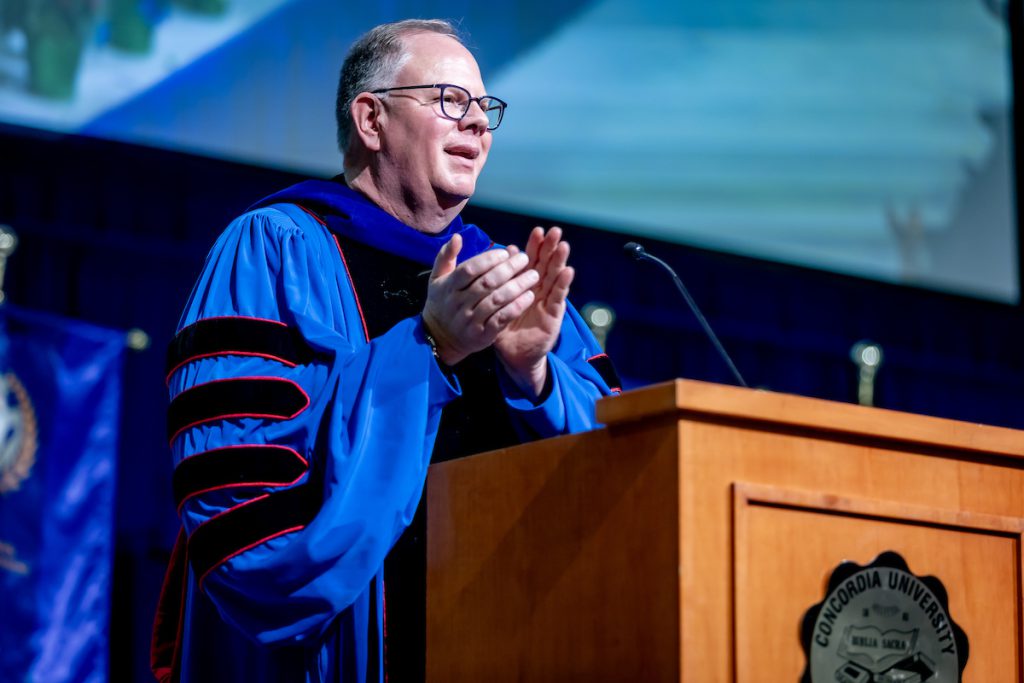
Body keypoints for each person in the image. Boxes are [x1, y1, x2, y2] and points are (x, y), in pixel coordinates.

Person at [151, 18, 620, 683]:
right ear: (370, 119)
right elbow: (238, 490)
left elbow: (620, 475)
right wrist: (429, 348)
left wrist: (534, 373)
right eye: (450, 101)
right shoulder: (272, 249)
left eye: (485, 109)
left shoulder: (508, 282)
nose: (479, 126)